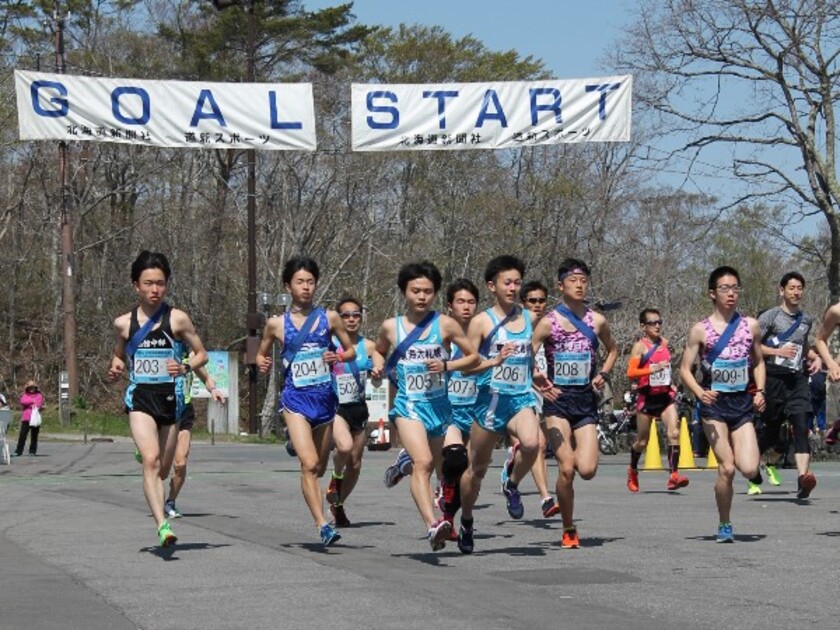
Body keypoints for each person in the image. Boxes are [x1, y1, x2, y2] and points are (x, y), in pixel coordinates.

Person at [370, 261, 478, 551]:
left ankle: (404, 467)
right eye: (415, 290)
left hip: (441, 408)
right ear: (404, 292)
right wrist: (378, 368)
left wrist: (446, 364)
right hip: (410, 407)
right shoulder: (391, 327)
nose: (422, 296)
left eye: (428, 291)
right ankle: (433, 524)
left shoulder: (445, 324)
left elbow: (472, 358)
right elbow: (379, 352)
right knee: (425, 464)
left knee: (456, 462)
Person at [108, 250, 209, 548]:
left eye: (160, 283)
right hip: (140, 398)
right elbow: (119, 354)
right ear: (135, 285)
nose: (155, 290)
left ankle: (149, 460)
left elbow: (201, 353)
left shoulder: (177, 319)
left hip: (170, 400)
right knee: (151, 462)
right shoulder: (123, 323)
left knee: (163, 469)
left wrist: (186, 366)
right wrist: (116, 366)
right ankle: (162, 525)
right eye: (149, 283)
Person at [257, 256, 356, 547]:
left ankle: (295, 445)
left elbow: (350, 351)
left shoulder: (330, 318)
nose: (306, 287)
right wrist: (261, 363)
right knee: (309, 464)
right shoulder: (276, 324)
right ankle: (321, 524)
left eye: (310, 282)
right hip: (295, 399)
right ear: (288, 286)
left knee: (320, 468)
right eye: (300, 282)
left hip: (324, 400)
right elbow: (261, 354)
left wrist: (336, 356)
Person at [458, 256, 542, 555]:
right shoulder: (482, 322)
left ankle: (511, 481)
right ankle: (466, 520)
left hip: (520, 398)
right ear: (492, 286)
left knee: (532, 444)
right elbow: (467, 367)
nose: (513, 287)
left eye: (518, 282)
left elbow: (530, 356)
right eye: (508, 282)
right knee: (476, 470)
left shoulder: (530, 319)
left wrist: (536, 374)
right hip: (489, 400)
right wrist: (494, 361)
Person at [532, 258, 618, 549]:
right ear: (561, 285)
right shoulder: (548, 322)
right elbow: (525, 354)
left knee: (588, 469)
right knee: (566, 467)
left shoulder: (597, 320)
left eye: (583, 280)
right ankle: (569, 527)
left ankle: (568, 511)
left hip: (584, 402)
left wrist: (603, 374)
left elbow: (614, 349)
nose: (579, 285)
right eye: (572, 280)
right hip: (557, 402)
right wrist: (538, 380)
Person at [679, 266, 766, 543]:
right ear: (712, 293)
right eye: (725, 288)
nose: (731, 293)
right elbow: (684, 369)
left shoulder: (750, 326)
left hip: (741, 405)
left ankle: (754, 471)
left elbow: (760, 361)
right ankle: (725, 523)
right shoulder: (699, 330)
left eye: (735, 288)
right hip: (713, 405)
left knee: (750, 468)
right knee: (726, 467)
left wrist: (760, 391)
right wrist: (698, 392)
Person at [752, 272, 820, 498]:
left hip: (797, 379)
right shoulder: (770, 317)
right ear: (782, 290)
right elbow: (752, 346)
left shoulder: (806, 320)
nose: (796, 292)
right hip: (773, 378)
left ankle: (803, 479)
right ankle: (751, 461)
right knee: (771, 431)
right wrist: (777, 351)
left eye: (799, 288)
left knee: (801, 427)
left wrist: (816, 358)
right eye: (791, 288)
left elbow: (805, 347)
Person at [325, 296, 376, 528]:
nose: (352, 319)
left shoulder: (370, 346)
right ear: (338, 318)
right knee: (344, 447)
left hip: (359, 406)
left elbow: (381, 372)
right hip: (336, 406)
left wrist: (378, 372)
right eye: (346, 315)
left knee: (355, 463)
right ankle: (335, 479)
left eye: (356, 314)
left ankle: (338, 504)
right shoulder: (329, 344)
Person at [625, 308, 690, 492]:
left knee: (674, 433)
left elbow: (667, 368)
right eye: (653, 323)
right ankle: (633, 469)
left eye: (659, 322)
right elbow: (631, 373)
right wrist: (651, 370)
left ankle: (674, 476)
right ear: (643, 326)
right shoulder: (640, 346)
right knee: (642, 441)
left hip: (665, 397)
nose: (657, 326)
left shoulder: (665, 343)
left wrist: (671, 384)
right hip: (647, 398)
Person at [438, 278, 480, 536]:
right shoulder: (443, 336)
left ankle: (455, 516)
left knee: (468, 474)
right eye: (460, 301)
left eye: (471, 302)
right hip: (449, 412)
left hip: (476, 412)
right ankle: (446, 517)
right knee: (455, 460)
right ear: (450, 305)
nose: (466, 307)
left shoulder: (483, 334)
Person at [163, 354, 226, 519]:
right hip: (161, 410)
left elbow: (205, 377)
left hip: (183, 411)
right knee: (158, 464)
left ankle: (170, 501)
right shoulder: (163, 350)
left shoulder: (191, 356)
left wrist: (213, 390)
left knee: (180, 463)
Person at [15, 380, 44, 457]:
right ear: (27, 388)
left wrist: (31, 403)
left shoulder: (39, 395)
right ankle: (18, 451)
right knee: (22, 435)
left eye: (33, 387)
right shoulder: (25, 395)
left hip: (35, 419)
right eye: (30, 388)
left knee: (34, 436)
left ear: (35, 388)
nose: (32, 389)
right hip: (26, 418)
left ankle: (32, 451)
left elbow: (39, 404)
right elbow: (23, 401)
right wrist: (32, 401)